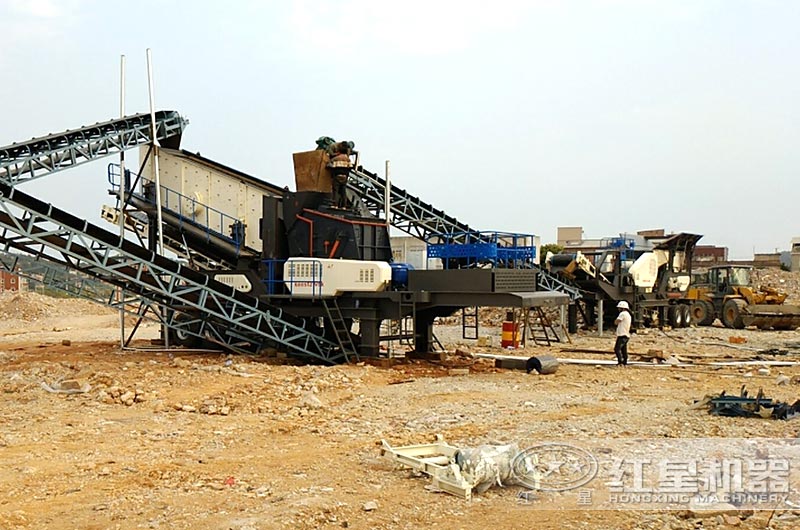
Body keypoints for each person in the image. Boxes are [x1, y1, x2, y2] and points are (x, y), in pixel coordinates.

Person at [614, 301, 632, 366]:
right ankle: (625, 361)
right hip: (626, 335)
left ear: (623, 308)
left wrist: (615, 321)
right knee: (623, 349)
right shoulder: (628, 314)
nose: (618, 309)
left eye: (619, 308)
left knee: (617, 349)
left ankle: (620, 362)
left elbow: (616, 322)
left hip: (622, 334)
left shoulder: (623, 314)